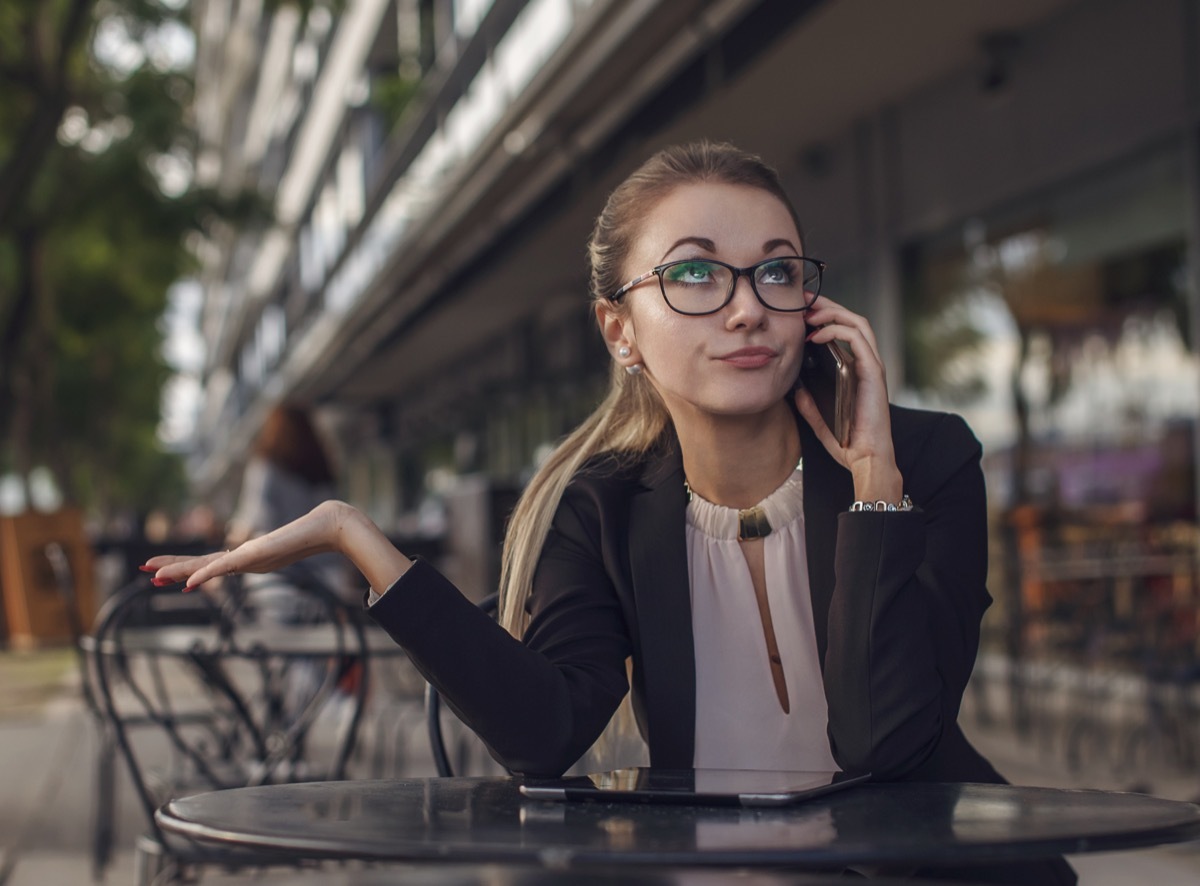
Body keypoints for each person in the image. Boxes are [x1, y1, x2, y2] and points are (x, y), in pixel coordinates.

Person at [147, 142, 1074, 884]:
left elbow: (889, 742)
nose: (747, 309)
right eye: (696, 276)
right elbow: (545, 733)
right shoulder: (601, 505)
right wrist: (354, 534)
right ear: (620, 330)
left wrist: (877, 482)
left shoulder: (930, 460)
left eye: (776, 272)